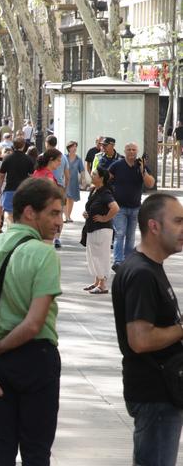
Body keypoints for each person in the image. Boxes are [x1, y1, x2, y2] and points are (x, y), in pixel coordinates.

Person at [0, 177, 63, 465]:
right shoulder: (44, 254)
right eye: (54, 213)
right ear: (30, 213)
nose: (59, 221)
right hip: (36, 358)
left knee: (1, 447)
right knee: (36, 450)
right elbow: (34, 324)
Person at [112, 193, 183, 466]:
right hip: (155, 394)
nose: (182, 229)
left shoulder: (148, 267)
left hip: (160, 392)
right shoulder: (141, 272)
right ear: (154, 226)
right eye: (177, 221)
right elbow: (140, 340)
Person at [109, 142, 155, 271]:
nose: (131, 152)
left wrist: (143, 171)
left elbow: (150, 184)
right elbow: (107, 178)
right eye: (129, 149)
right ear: (124, 151)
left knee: (130, 236)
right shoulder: (117, 165)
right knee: (120, 233)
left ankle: (127, 261)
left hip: (135, 207)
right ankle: (118, 261)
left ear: (137, 151)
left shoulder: (141, 166)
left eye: (134, 150)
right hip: (119, 207)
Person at [82, 168, 119, 294]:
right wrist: (87, 214)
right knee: (93, 255)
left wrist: (104, 218)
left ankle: (103, 284)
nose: (91, 175)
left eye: (94, 174)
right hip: (92, 228)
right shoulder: (93, 190)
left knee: (100, 256)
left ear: (101, 178)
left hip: (102, 230)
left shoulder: (105, 193)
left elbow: (115, 208)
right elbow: (92, 207)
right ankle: (97, 281)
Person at [0, 137, 35, 225]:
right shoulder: (28, 159)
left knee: (8, 212)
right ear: (24, 146)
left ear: (13, 146)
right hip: (23, 190)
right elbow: (32, 176)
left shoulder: (7, 158)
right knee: (21, 213)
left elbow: (1, 176)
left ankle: (11, 228)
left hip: (9, 189)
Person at [65, 141, 85, 223]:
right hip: (65, 181)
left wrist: (83, 181)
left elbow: (82, 171)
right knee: (65, 199)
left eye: (76, 146)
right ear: (69, 148)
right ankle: (66, 216)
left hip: (74, 182)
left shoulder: (78, 159)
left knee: (71, 199)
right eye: (73, 146)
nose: (75, 148)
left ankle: (68, 216)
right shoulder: (64, 157)